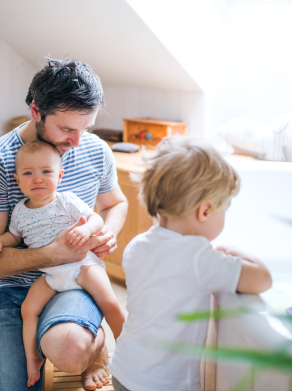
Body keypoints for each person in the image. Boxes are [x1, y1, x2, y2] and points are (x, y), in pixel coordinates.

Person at [0, 58, 128, 391]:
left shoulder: (97, 150)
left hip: (76, 281)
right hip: (13, 289)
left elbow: (116, 204)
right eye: (67, 129)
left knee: (70, 351)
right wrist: (51, 254)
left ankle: (94, 345)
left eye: (85, 128)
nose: (77, 141)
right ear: (36, 111)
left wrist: (106, 233)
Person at [109, 136, 272, 391]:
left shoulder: (137, 245)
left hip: (123, 369)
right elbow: (263, 279)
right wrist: (233, 250)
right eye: (225, 209)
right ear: (204, 212)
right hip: (162, 384)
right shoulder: (199, 257)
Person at [0, 140, 126, 387]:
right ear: (18, 181)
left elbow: (94, 218)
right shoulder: (19, 211)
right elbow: (15, 236)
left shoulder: (66, 201)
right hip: (50, 275)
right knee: (28, 310)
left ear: (59, 176)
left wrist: (86, 230)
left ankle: (128, 349)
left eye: (46, 172)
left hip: (82, 267)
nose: (37, 179)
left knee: (110, 302)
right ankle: (33, 358)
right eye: (28, 173)